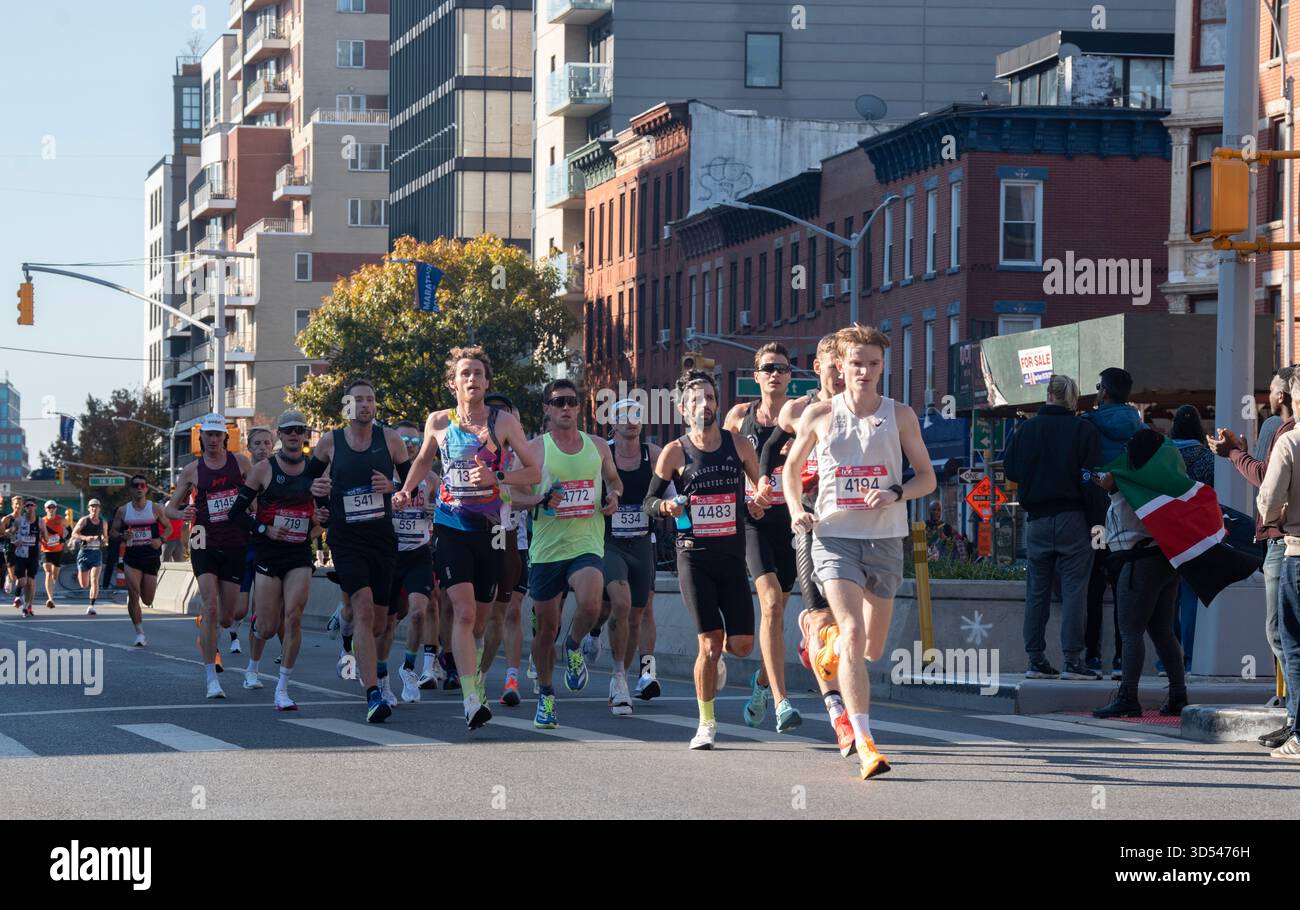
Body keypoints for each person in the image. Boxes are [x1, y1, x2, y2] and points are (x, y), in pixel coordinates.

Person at [784, 325, 935, 780]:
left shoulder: (900, 415)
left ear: (882, 366)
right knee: (850, 630)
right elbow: (791, 472)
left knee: (871, 648)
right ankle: (865, 741)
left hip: (886, 538)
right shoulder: (820, 415)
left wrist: (895, 492)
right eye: (856, 363)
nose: (864, 371)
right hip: (834, 537)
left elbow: (927, 477)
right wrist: (796, 511)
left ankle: (823, 643)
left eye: (872, 363)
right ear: (840, 366)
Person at [393, 349, 541, 729]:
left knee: (482, 617)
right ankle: (471, 697)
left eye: (478, 373)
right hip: (451, 526)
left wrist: (499, 479)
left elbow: (534, 471)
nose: (472, 379)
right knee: (462, 611)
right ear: (453, 382)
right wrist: (407, 490)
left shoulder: (503, 422)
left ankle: (469, 673)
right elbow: (424, 461)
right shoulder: (438, 421)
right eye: (465, 374)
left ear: (487, 382)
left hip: (492, 528)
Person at [645, 370, 767, 749]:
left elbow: (759, 487)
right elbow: (649, 503)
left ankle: (720, 662)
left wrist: (760, 499)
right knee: (709, 644)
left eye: (710, 397)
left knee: (742, 645)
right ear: (684, 408)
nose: (705, 404)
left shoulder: (739, 446)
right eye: (696, 399)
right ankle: (706, 724)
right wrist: (665, 505)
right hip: (693, 557)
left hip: (732, 557)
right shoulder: (675, 452)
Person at [759, 331, 858, 757]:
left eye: (846, 366)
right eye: (833, 367)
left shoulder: (864, 411)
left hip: (856, 530)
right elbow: (772, 451)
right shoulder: (802, 410)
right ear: (818, 369)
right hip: (811, 525)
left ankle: (810, 636)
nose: (841, 375)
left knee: (857, 633)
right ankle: (838, 715)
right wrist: (769, 480)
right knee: (824, 624)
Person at [307, 380, 412, 724]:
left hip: (382, 538)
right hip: (345, 538)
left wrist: (395, 487)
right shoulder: (330, 442)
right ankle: (373, 695)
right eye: (358, 400)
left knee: (381, 621)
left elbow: (412, 487)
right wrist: (319, 503)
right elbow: (308, 483)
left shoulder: (391, 440)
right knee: (365, 611)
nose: (365, 405)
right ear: (347, 406)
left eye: (371, 399)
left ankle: (349, 636)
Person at [522, 378, 622, 728]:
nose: (566, 407)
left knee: (593, 603)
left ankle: (575, 644)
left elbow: (614, 481)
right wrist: (536, 499)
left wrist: (613, 496)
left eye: (571, 401)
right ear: (547, 409)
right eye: (558, 402)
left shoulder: (597, 446)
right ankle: (546, 695)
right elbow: (509, 496)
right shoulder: (535, 449)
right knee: (544, 630)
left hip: (586, 544)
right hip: (547, 550)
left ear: (580, 407)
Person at [1210, 365, 1297, 750]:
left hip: (1286, 542)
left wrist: (1233, 454)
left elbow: (1267, 481)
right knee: (1282, 635)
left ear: (1288, 393)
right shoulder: (1277, 430)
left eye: (1275, 388)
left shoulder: (1283, 434)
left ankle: (1295, 718)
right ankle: (1293, 712)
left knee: (1282, 634)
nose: (1271, 394)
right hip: (1282, 540)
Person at [1004, 374, 1103, 681]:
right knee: (1075, 590)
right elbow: (1091, 479)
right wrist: (1097, 522)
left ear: (1047, 395)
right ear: (1073, 398)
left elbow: (1011, 469)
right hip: (1073, 517)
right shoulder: (1084, 430)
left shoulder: (1026, 429)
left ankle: (1036, 659)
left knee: (1037, 590)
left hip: (1037, 519)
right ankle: (1073, 660)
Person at [725, 343, 802, 733]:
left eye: (782, 368)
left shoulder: (801, 416)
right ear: (755, 376)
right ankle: (782, 701)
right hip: (752, 520)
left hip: (791, 522)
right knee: (770, 604)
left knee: (779, 611)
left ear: (790, 376)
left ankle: (760, 683)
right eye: (768, 367)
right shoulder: (739, 418)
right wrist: (747, 498)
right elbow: (720, 467)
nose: (775, 373)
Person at [1091, 431, 1189, 719]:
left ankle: (1127, 696)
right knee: (1162, 631)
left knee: (1131, 632)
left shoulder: (1126, 478)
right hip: (1165, 560)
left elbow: (1107, 480)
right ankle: (1178, 695)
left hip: (1137, 563)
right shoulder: (1165, 481)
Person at [230, 410, 321, 711]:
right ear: (280, 435)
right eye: (289, 430)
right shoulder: (264, 470)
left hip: (298, 554)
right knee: (267, 627)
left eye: (300, 430)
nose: (295, 435)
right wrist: (264, 528)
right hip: (268, 552)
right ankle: (254, 658)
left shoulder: (316, 470)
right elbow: (235, 514)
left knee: (293, 616)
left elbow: (326, 514)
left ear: (306, 434)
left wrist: (319, 522)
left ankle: (282, 688)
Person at [166, 413, 253, 699]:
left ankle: (207, 625)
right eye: (209, 435)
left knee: (228, 617)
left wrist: (254, 511)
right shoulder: (192, 470)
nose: (213, 440)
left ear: (225, 438)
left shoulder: (240, 463)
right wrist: (182, 513)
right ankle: (211, 679)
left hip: (235, 541)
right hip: (203, 540)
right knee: (211, 606)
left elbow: (256, 494)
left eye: (218, 435)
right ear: (201, 438)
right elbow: (169, 509)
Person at [1080, 367, 1143, 680]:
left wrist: (1091, 479)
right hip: (1129, 519)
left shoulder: (1088, 425)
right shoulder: (1138, 426)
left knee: (1092, 585)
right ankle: (1122, 656)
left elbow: (1083, 472)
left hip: (1097, 521)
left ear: (1103, 391)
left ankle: (1091, 654)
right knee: (1124, 588)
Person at [599, 398, 660, 716]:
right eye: (623, 415)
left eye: (637, 414)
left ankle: (644, 672)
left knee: (639, 611)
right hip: (608, 541)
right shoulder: (601, 453)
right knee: (618, 604)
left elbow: (673, 490)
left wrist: (675, 512)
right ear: (613, 423)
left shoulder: (655, 455)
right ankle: (618, 677)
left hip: (642, 541)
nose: (631, 420)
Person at [1258, 374, 1300, 759]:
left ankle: (1297, 726)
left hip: (1294, 549)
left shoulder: (1286, 437)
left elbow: (1267, 496)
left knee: (1290, 639)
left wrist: (1281, 515)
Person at [476, 393, 528, 707]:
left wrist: (511, 494)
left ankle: (511, 678)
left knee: (512, 611)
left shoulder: (525, 454)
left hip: (516, 540)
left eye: (506, 414)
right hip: (482, 537)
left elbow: (535, 492)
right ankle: (477, 674)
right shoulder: (474, 451)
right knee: (486, 615)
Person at [387, 419, 440, 705]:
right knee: (387, 622)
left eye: (416, 442)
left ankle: (409, 668)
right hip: (390, 555)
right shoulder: (385, 476)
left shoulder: (430, 479)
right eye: (404, 440)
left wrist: (434, 512)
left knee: (419, 612)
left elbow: (445, 513)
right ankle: (380, 674)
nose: (409, 445)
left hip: (419, 552)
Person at [1166, 404, 1213, 673]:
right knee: (1191, 596)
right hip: (1196, 535)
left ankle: (1166, 659)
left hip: (1165, 532)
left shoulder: (1163, 456)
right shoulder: (1206, 458)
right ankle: (1190, 658)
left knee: (1166, 599)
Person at [111, 476, 171, 646]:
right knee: (133, 593)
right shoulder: (123, 511)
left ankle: (138, 609)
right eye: (135, 485)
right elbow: (113, 533)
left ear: (146, 489)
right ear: (131, 489)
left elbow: (169, 528)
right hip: (132, 557)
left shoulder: (155, 508)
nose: (139, 488)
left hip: (151, 557)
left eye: (142, 485)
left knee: (148, 599)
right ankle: (140, 633)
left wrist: (160, 540)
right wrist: (122, 535)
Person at [2, 498, 40, 616]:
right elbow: (4, 532)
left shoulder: (33, 519)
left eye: (20, 504)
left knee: (29, 581)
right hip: (11, 548)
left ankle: (26, 604)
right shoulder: (8, 519)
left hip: (29, 552)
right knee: (16, 577)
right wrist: (10, 534)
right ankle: (10, 578)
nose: (18, 506)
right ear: (13, 506)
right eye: (16, 504)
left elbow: (42, 533)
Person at [72, 500, 109, 614]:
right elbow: (74, 534)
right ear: (89, 508)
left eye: (96, 507)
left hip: (96, 553)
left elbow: (106, 537)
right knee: (84, 584)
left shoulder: (103, 522)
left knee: (95, 580)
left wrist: (104, 540)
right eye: (92, 507)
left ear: (99, 509)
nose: (94, 509)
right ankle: (80, 572)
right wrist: (85, 538)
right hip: (84, 553)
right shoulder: (84, 520)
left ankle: (91, 606)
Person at [37, 500, 70, 609]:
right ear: (45, 509)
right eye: (49, 508)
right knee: (48, 571)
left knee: (55, 574)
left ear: (56, 508)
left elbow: (70, 530)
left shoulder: (61, 520)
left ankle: (52, 586)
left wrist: (64, 540)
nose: (51, 509)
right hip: (46, 550)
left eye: (53, 507)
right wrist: (41, 541)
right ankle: (50, 598)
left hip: (58, 550)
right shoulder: (42, 521)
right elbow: (37, 534)